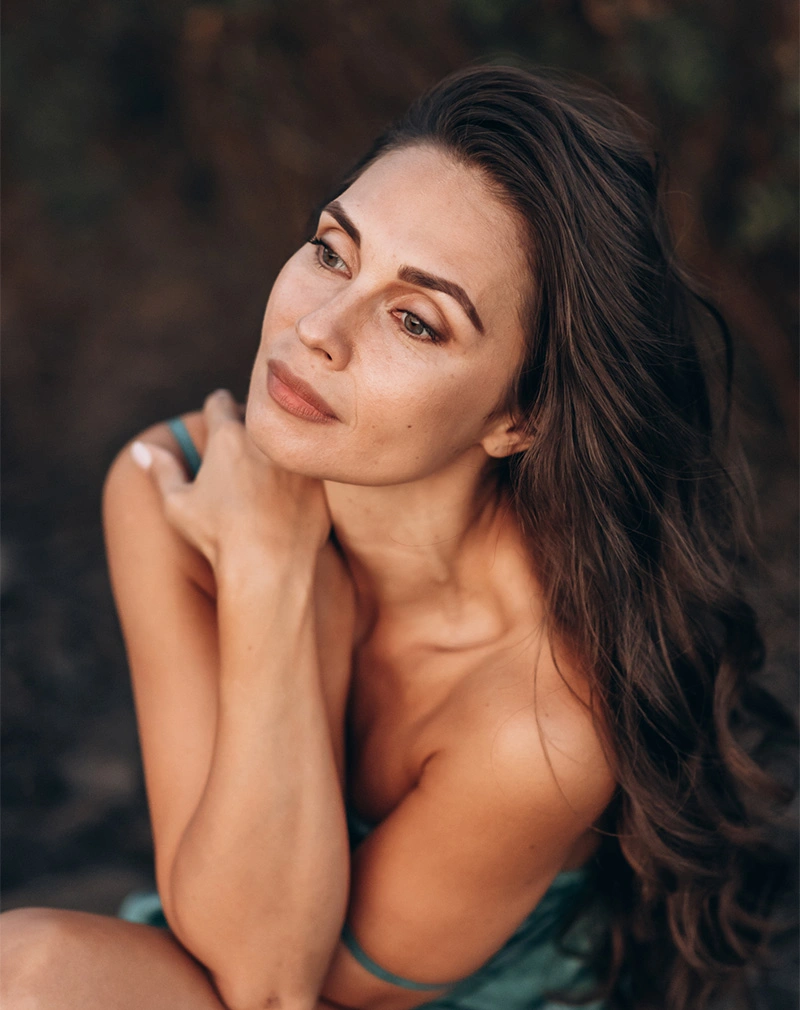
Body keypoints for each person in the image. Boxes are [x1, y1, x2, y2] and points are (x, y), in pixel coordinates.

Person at [1, 64, 793, 1010]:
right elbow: (220, 932)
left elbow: (275, 983)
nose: (319, 328)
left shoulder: (538, 717)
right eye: (332, 252)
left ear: (519, 418)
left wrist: (274, 580)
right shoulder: (168, 481)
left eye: (416, 321)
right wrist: (274, 568)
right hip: (230, 938)